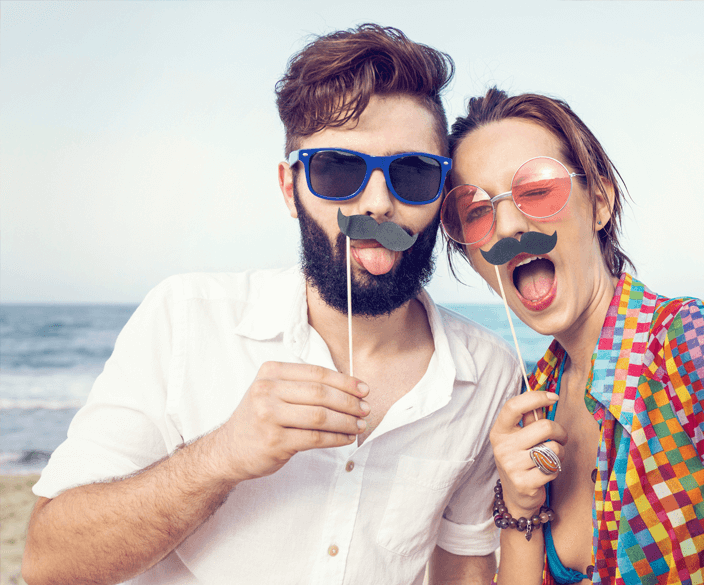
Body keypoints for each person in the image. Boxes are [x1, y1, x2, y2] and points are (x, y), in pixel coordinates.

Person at [22, 26, 521, 585]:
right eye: (339, 170)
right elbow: (50, 563)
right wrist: (221, 457)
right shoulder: (185, 316)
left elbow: (462, 565)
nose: (379, 203)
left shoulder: (490, 375)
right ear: (291, 189)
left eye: (412, 174)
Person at [440, 88, 704, 584]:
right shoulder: (534, 402)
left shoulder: (701, 346)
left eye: (535, 191)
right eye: (476, 211)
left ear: (599, 201)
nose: (506, 225)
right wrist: (518, 504)